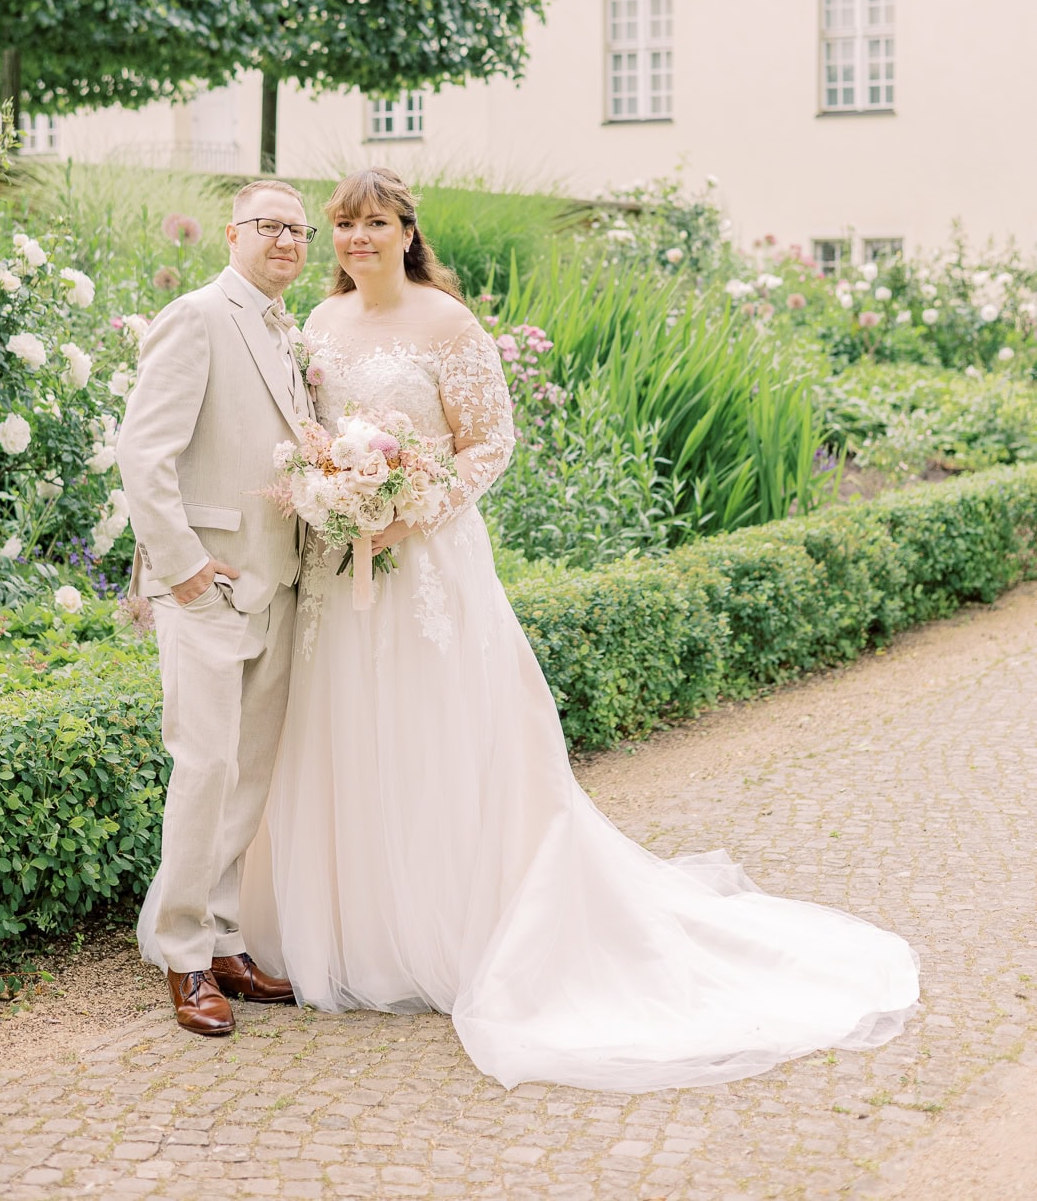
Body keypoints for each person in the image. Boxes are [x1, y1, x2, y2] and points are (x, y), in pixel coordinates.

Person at [204, 165, 919, 1091]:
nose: (356, 239)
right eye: (344, 224)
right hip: (338, 578)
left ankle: (443, 928)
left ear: (408, 231)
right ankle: (334, 930)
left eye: (375, 222)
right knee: (338, 734)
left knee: (434, 736)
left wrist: (406, 508)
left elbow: (490, 442)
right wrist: (332, 496)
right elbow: (308, 436)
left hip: (426, 568)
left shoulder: (448, 324)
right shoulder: (321, 327)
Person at [120, 179, 316, 1036]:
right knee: (203, 768)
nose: (287, 241)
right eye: (272, 225)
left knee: (248, 775)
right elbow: (142, 450)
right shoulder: (198, 316)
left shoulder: (284, 328)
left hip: (278, 584)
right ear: (232, 232)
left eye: (299, 231)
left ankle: (227, 936)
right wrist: (184, 566)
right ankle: (183, 954)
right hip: (208, 583)